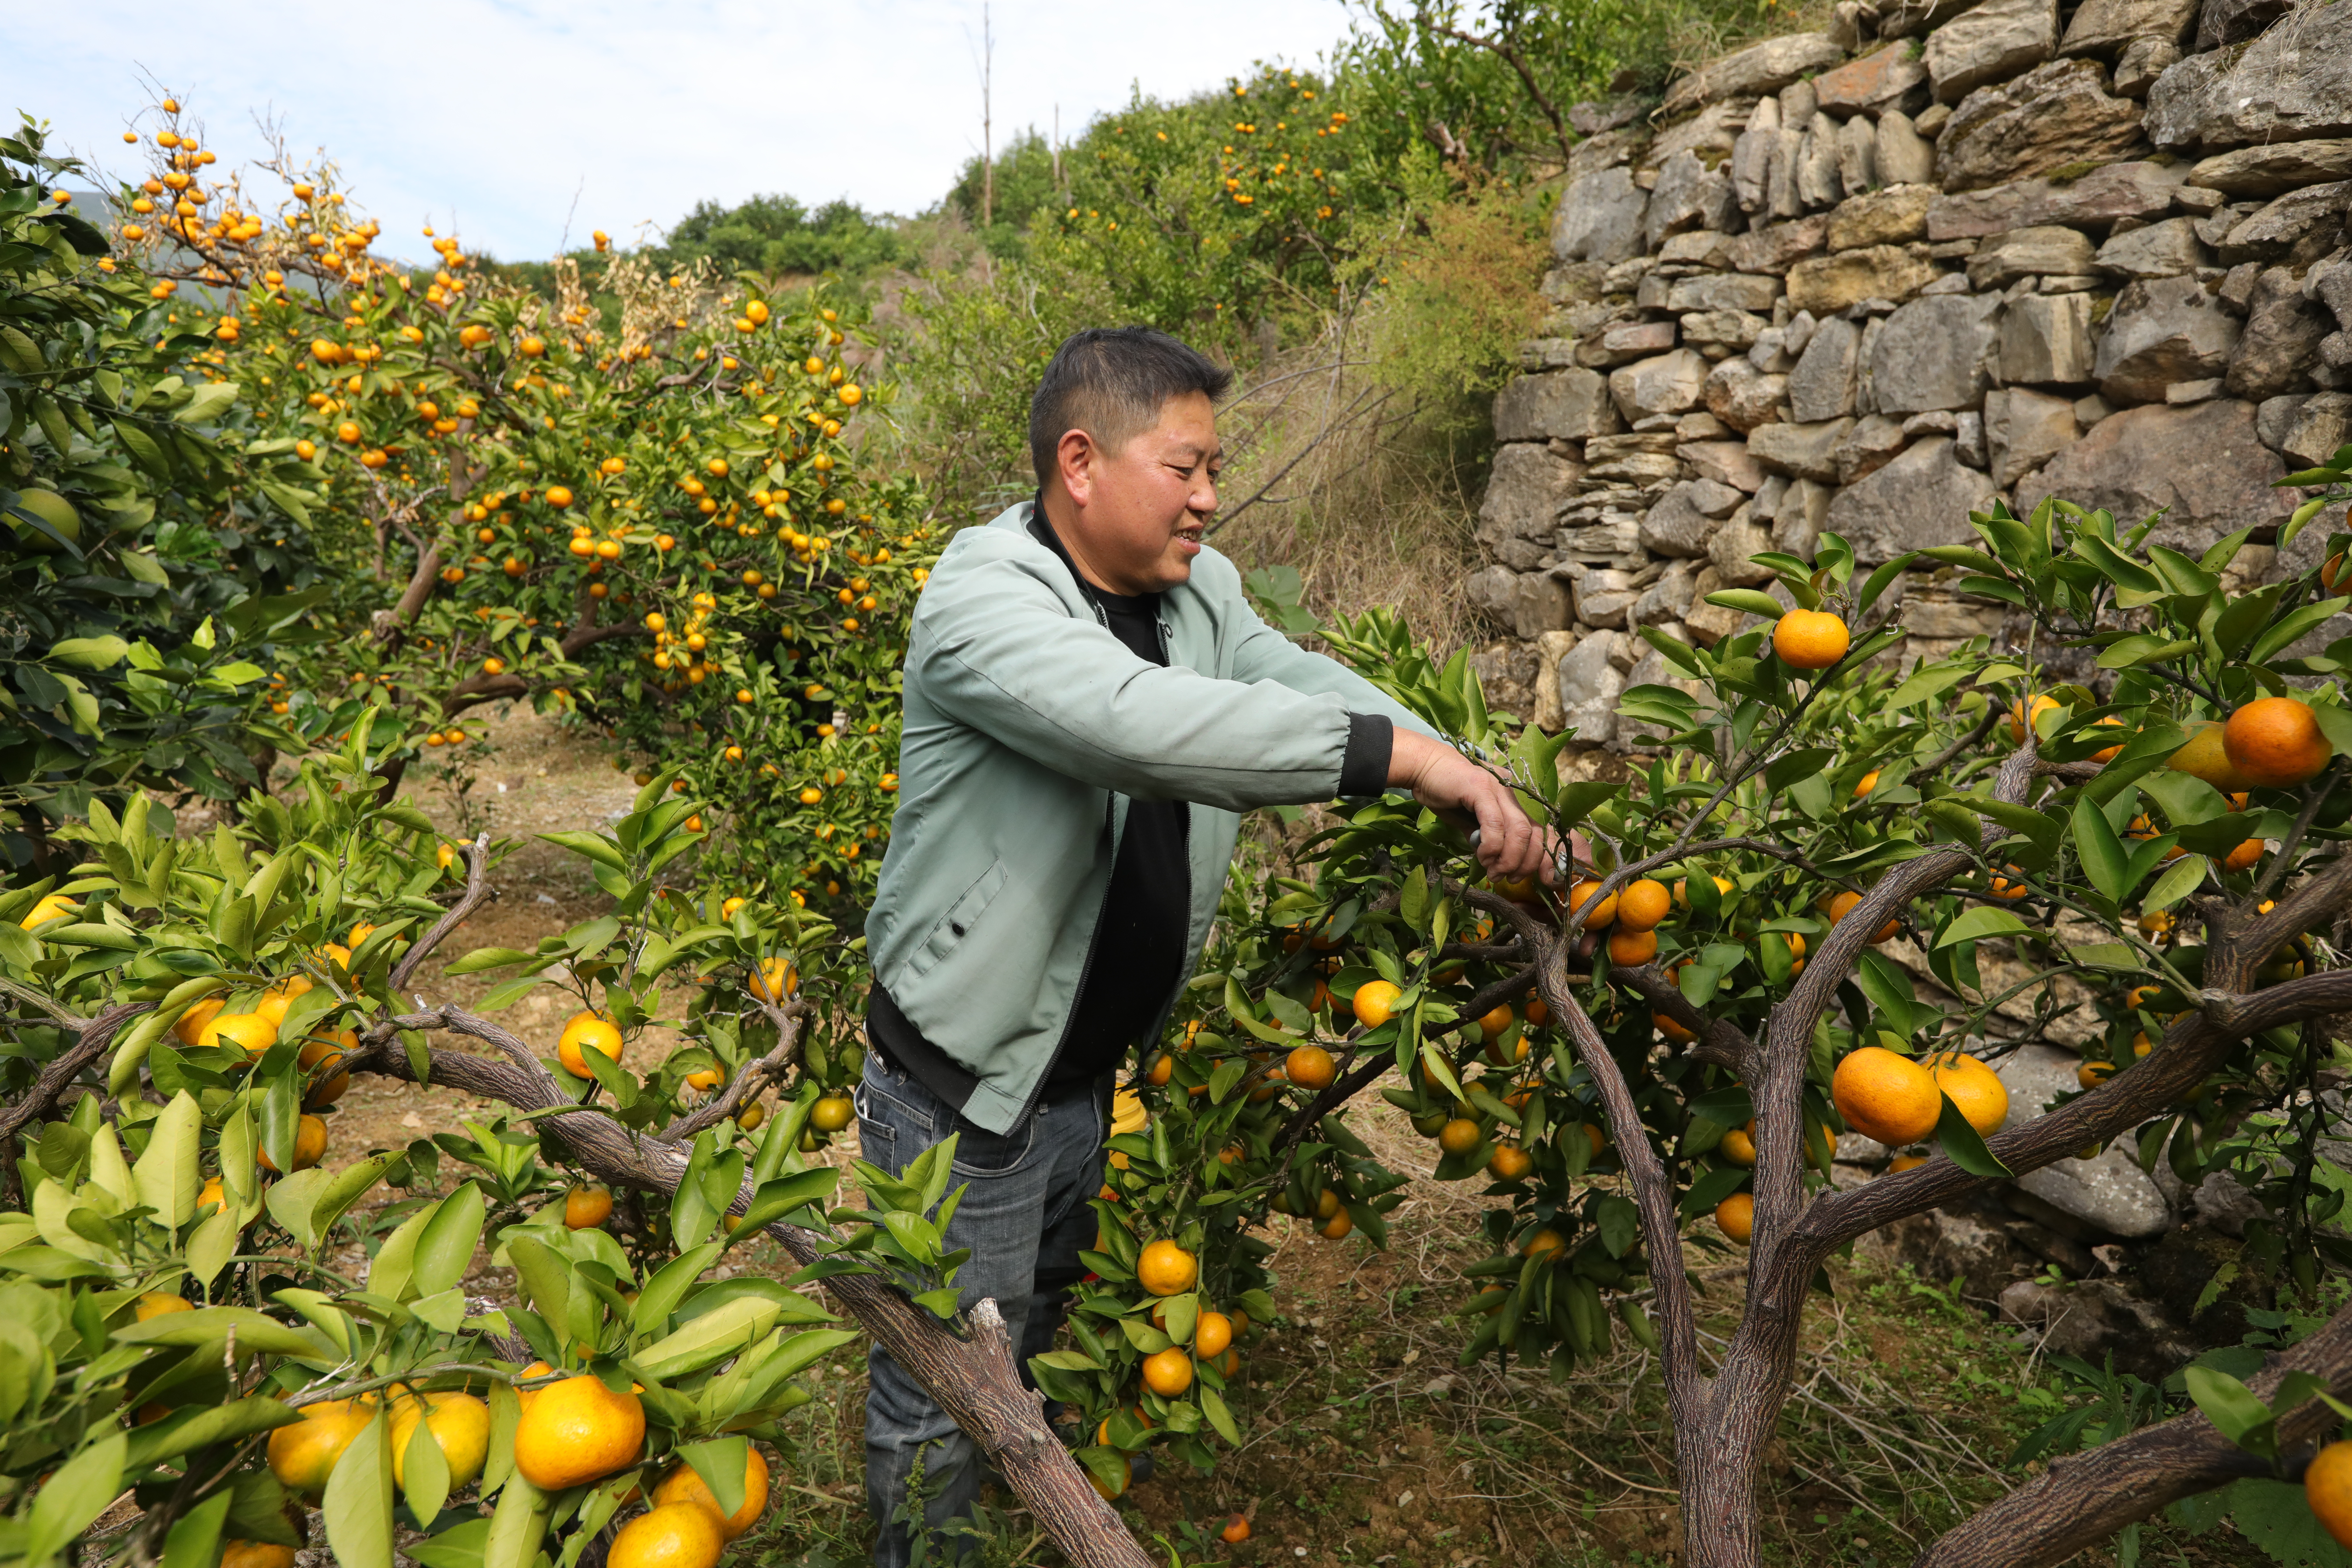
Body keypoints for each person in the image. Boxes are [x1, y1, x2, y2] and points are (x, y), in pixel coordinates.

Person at [855, 326, 1553, 1564]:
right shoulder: (980, 597)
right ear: (1082, 462)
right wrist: (1399, 759)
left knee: (1047, 1331)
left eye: (1214, 470)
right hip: (962, 1083)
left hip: (1083, 1073)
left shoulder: (1200, 592)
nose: (1212, 498)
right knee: (946, 1393)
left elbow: (1296, 676)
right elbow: (1135, 727)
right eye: (1187, 468)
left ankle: (1034, 1522)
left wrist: (1469, 771)